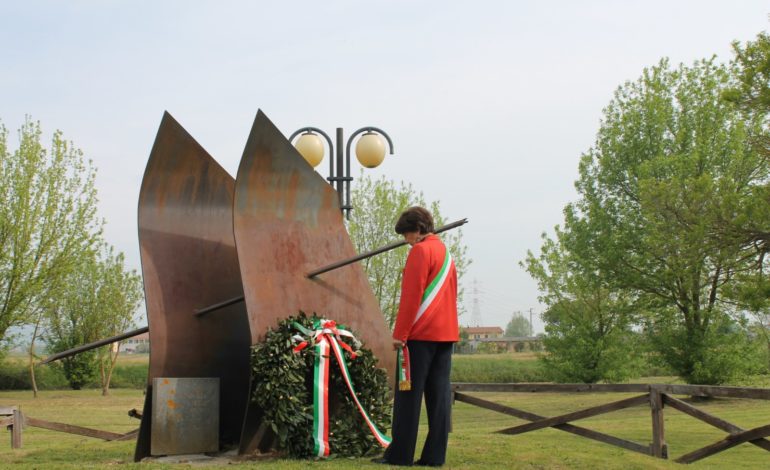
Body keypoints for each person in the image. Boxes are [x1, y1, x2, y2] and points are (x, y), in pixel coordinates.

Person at [377, 206, 459, 467]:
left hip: (420, 336)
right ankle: (434, 457)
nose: (406, 240)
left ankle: (400, 455)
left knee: (408, 396)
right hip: (445, 335)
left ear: (419, 229)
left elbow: (411, 299)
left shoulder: (420, 252)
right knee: (439, 398)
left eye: (407, 234)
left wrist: (399, 335)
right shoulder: (445, 253)